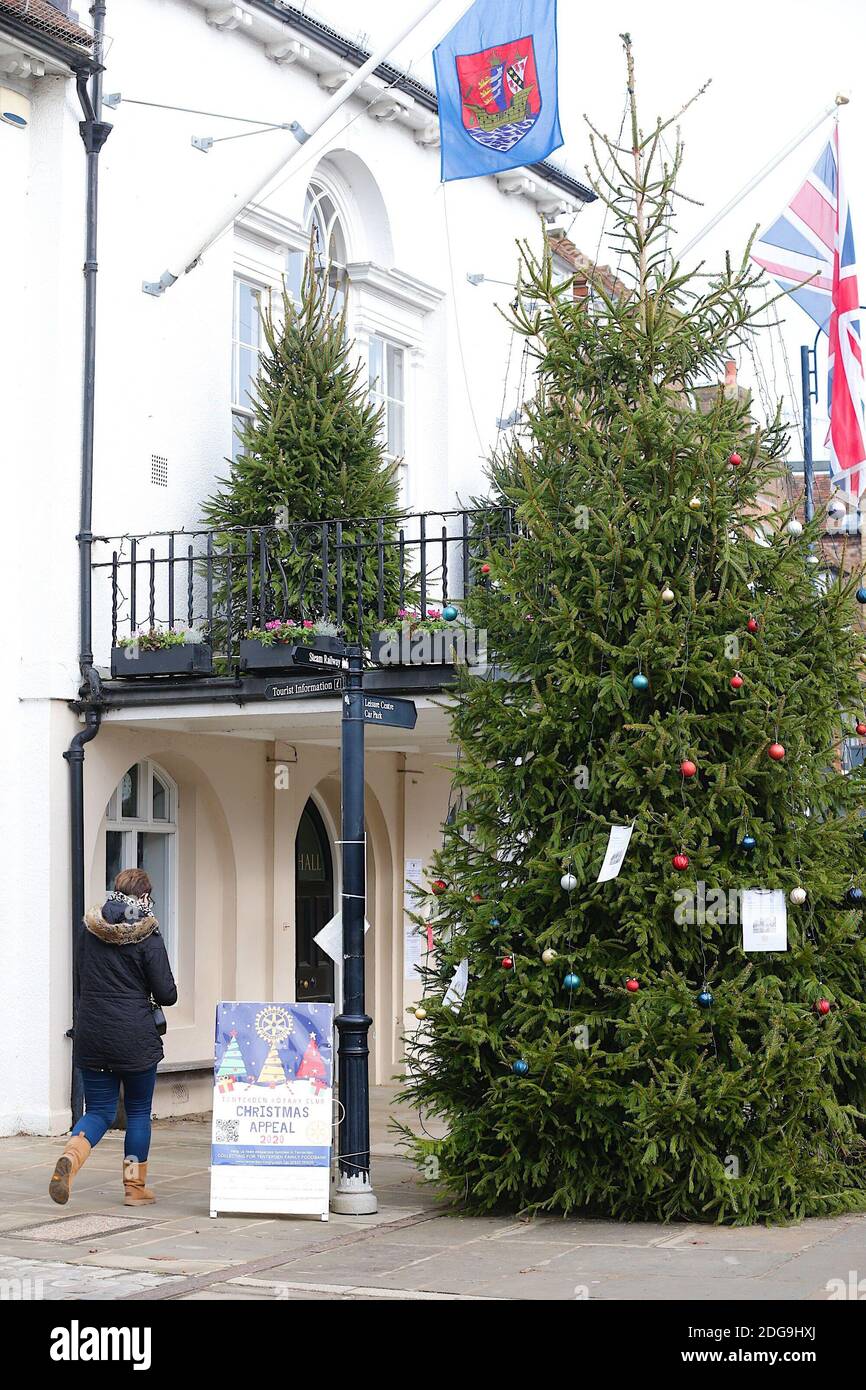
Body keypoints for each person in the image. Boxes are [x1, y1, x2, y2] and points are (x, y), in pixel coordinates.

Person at [49, 868, 177, 1207]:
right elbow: (166, 993)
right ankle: (134, 1189)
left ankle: (71, 1158)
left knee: (100, 1111)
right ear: (144, 896)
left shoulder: (89, 930)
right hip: (134, 1037)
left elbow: (79, 980)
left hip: (92, 1033)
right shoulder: (147, 933)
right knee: (137, 1112)